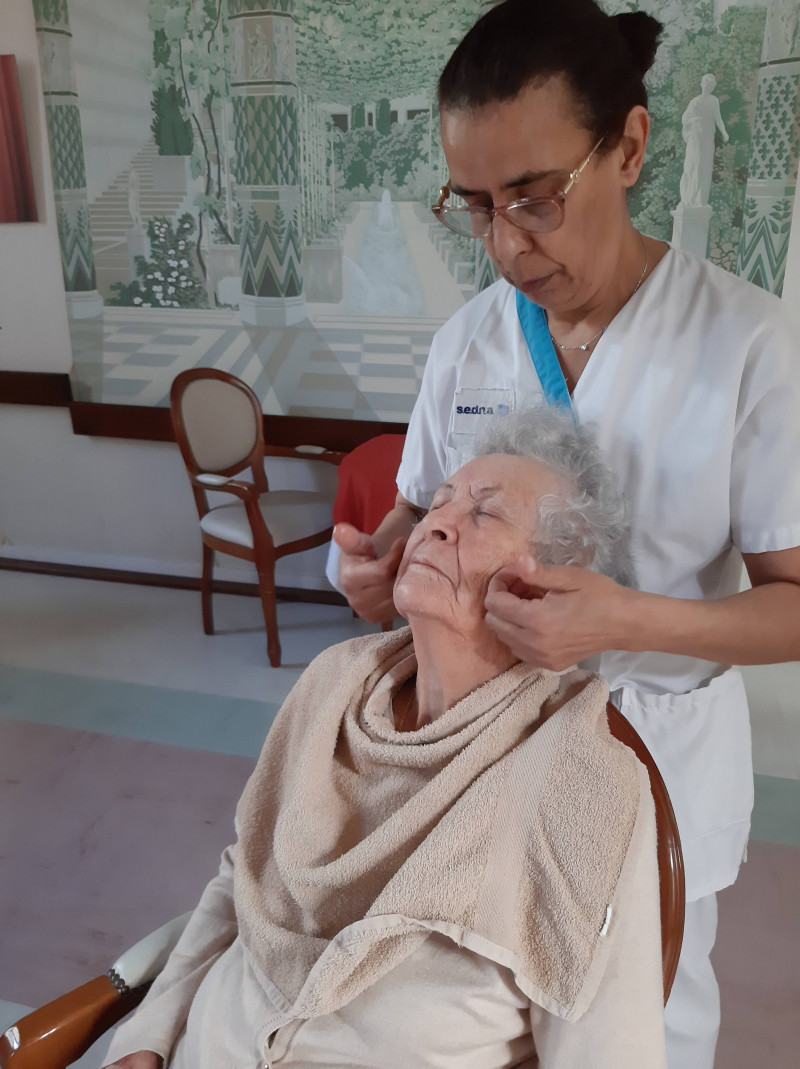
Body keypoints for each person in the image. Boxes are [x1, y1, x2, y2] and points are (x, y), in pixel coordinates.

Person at [332, 3, 800, 1068]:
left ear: (627, 147)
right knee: (470, 1014)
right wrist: (378, 562)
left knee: (640, 1026)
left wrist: (622, 620)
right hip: (474, 758)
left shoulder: (742, 344)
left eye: (536, 199)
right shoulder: (468, 341)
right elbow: (414, 508)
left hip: (649, 764)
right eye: (477, 205)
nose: (505, 244)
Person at [104, 410, 667, 1068]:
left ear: (556, 584)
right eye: (439, 501)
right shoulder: (332, 682)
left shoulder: (579, 783)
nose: (434, 523)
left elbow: (611, 1052)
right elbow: (242, 875)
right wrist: (146, 1037)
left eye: (483, 514)